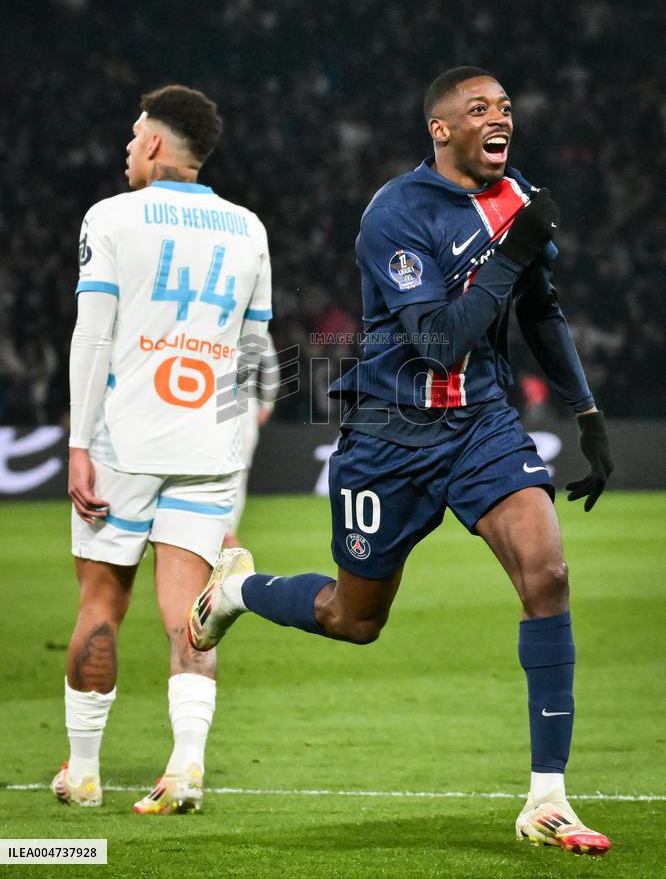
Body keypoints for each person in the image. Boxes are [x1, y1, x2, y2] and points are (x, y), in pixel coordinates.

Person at [188, 67, 613, 856]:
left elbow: (541, 312)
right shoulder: (394, 214)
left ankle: (548, 797)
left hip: (480, 424)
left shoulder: (517, 200)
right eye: (479, 108)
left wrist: (586, 413)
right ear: (441, 129)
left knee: (547, 573)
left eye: (506, 107)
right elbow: (440, 340)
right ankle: (241, 590)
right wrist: (512, 252)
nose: (501, 118)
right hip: (387, 437)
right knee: (355, 620)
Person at [51, 85, 272, 814]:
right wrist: (232, 445)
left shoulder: (112, 217)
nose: (126, 146)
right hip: (207, 445)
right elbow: (254, 354)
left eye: (132, 133)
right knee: (189, 615)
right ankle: (186, 768)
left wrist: (79, 442)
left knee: (101, 604)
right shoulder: (248, 228)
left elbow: (93, 335)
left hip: (125, 440)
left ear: (153, 144)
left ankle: (83, 773)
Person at [223, 330, 278, 548]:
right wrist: (267, 402)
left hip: (207, 401)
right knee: (239, 472)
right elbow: (271, 366)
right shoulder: (258, 327)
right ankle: (228, 531)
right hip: (243, 403)